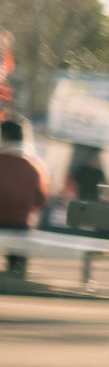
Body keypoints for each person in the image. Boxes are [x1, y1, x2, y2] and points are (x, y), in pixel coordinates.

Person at [0, 118, 49, 277]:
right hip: (21, 225)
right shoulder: (35, 165)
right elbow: (41, 199)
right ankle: (17, 277)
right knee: (17, 269)